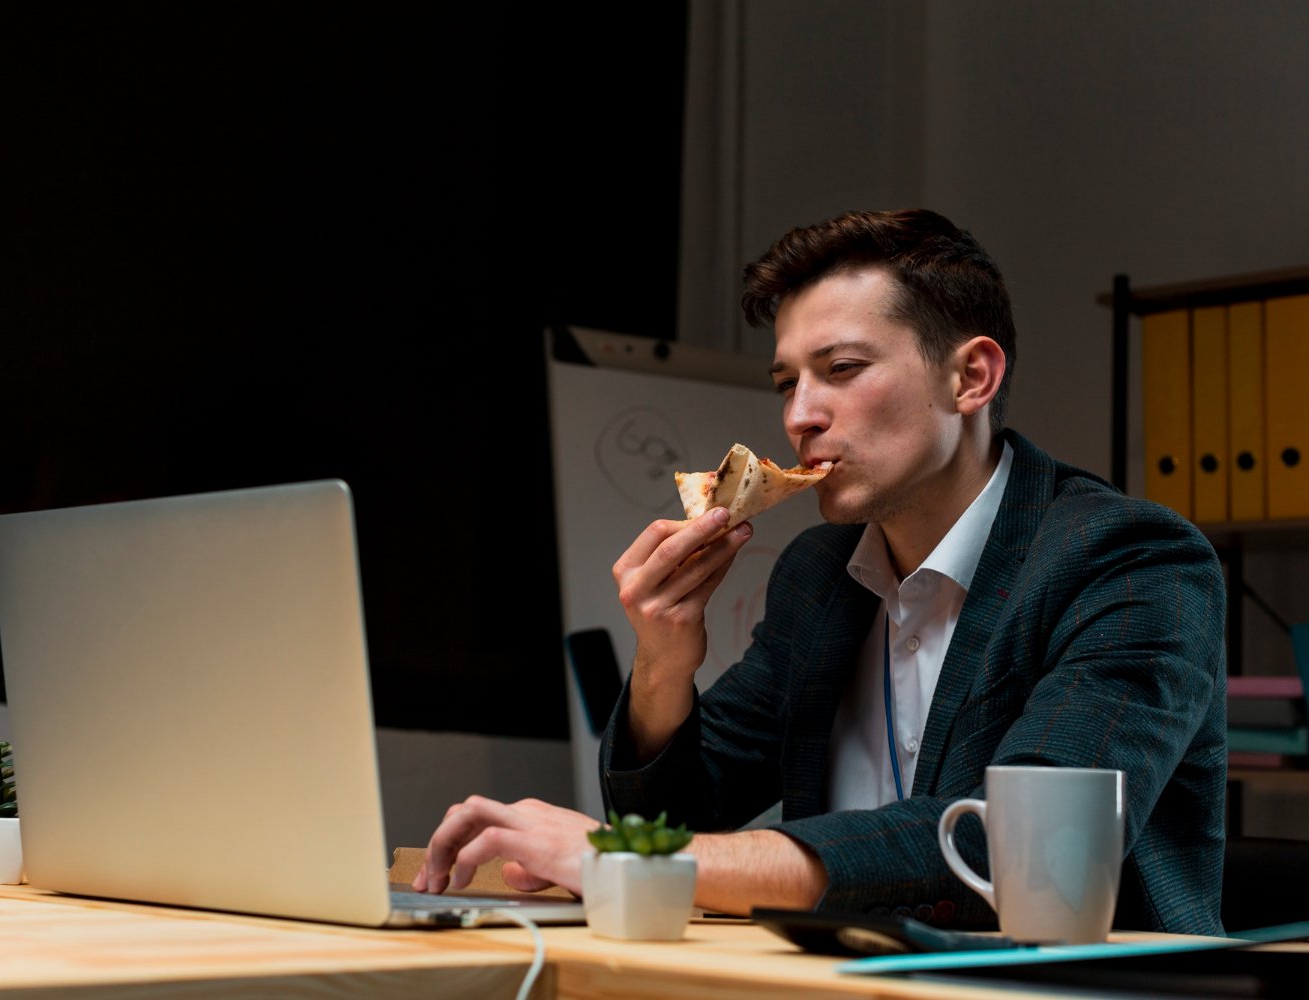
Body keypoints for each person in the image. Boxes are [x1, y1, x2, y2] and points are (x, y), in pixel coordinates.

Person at [413, 208, 1226, 934]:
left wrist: (630, 860)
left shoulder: (1133, 563)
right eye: (786, 382)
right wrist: (664, 655)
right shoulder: (820, 571)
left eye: (840, 370)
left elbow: (1012, 848)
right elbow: (670, 820)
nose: (799, 415)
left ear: (971, 376)